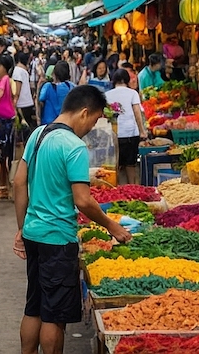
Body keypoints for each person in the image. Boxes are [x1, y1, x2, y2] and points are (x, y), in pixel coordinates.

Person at [12, 85, 132, 354]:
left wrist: (22, 227)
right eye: (95, 119)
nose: (92, 127)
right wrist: (112, 226)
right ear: (84, 112)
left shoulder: (37, 135)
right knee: (54, 315)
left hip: (34, 234)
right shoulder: (75, 147)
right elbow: (83, 200)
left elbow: (19, 183)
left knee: (34, 306)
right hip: (58, 240)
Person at [106, 69, 147, 185]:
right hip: (130, 134)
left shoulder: (107, 95)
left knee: (115, 164)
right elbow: (137, 112)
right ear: (126, 80)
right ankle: (132, 187)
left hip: (114, 135)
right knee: (130, 164)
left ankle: (115, 189)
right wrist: (142, 131)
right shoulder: (132, 93)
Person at [0, 54, 18, 199]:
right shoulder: (8, 80)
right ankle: (5, 185)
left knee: (2, 154)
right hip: (8, 118)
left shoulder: (4, 80)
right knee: (6, 154)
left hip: (2, 120)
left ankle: (4, 185)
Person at [37, 61, 74, 125]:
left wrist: (38, 87)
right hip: (66, 123)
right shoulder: (71, 86)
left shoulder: (47, 86)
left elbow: (40, 102)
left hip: (49, 123)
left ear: (54, 74)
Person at [12, 52, 37, 131]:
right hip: (27, 102)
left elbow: (17, 88)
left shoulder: (17, 71)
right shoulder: (24, 71)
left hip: (21, 103)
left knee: (23, 128)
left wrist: (14, 101)